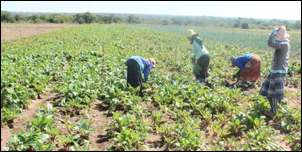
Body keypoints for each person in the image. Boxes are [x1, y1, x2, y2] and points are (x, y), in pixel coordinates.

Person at [259, 26, 290, 117]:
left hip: (279, 72)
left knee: (272, 93)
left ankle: (273, 111)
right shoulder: (282, 44)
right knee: (267, 90)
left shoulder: (284, 44)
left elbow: (270, 43)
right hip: (275, 71)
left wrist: (273, 33)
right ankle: (275, 108)